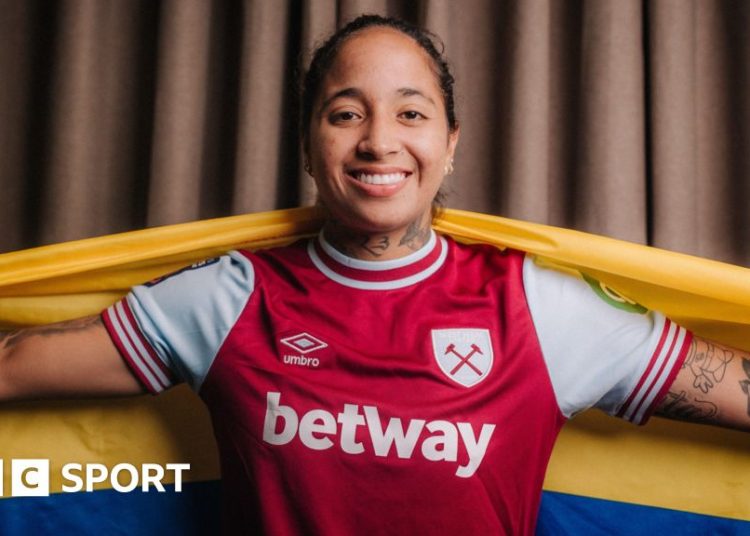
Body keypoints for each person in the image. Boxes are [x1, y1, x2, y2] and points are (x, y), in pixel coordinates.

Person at [0, 14, 748, 535]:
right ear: (308, 142)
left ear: (450, 144)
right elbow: (16, 367)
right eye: (345, 114)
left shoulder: (536, 307)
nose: (379, 141)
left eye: (412, 114)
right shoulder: (231, 296)